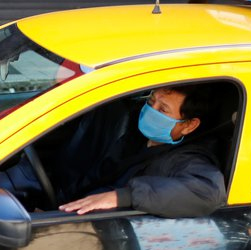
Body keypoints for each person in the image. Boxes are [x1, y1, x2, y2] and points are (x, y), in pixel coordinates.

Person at [58, 85, 227, 218]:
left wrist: (124, 197)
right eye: (151, 101)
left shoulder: (187, 159)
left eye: (162, 110)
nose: (151, 111)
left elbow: (208, 192)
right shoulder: (136, 135)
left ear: (189, 125)